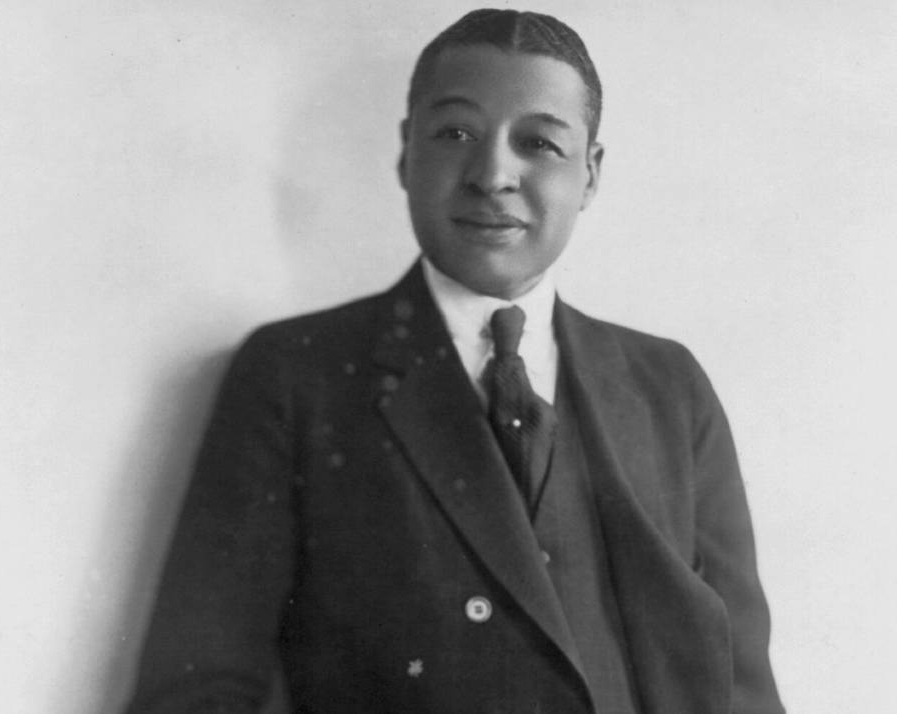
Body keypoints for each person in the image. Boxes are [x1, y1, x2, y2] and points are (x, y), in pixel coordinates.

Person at [126, 9, 785, 714]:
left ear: (590, 175)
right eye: (455, 134)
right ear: (406, 152)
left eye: (538, 143)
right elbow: (195, 692)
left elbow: (739, 685)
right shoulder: (297, 374)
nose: (493, 174)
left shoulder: (667, 387)